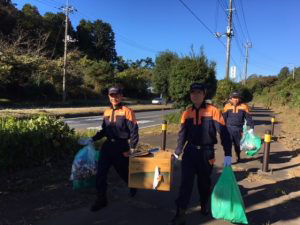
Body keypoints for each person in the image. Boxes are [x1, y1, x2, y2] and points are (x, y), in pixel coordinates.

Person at [169, 82, 232, 225]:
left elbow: (223, 132)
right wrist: (177, 152)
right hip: (190, 152)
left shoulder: (213, 111)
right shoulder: (187, 113)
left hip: (206, 152)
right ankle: (180, 213)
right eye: (193, 93)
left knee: (204, 183)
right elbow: (182, 135)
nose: (195, 95)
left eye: (199, 93)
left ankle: (204, 204)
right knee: (185, 184)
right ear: (190, 95)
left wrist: (228, 153)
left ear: (204, 94)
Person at [79, 86, 139, 212]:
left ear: (121, 96)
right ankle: (101, 200)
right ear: (109, 97)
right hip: (107, 147)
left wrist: (132, 148)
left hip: (121, 147)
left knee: (123, 172)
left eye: (117, 95)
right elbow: (104, 130)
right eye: (112, 95)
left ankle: (132, 186)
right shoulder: (106, 112)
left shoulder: (127, 111)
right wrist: (92, 139)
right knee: (101, 174)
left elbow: (134, 131)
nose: (114, 98)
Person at [223, 90, 254, 163]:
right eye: (234, 97)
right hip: (228, 128)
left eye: (237, 98)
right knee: (228, 146)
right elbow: (223, 118)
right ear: (231, 98)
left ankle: (238, 156)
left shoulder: (244, 106)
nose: (235, 99)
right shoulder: (227, 106)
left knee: (237, 145)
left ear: (240, 98)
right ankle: (228, 161)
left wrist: (251, 128)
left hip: (239, 129)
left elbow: (248, 118)